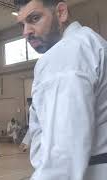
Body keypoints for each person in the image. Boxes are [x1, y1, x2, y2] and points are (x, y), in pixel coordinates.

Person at [15, 0, 107, 179]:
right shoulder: (91, 41)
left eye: (34, 18)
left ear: (61, 13)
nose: (26, 32)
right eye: (22, 24)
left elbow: (62, 156)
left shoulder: (65, 53)